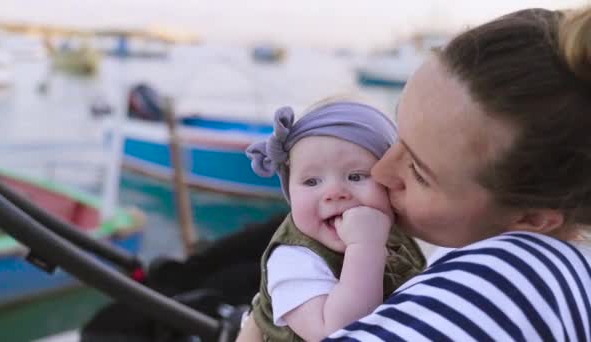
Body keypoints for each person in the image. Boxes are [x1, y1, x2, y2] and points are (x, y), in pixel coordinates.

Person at [238, 5, 591, 341]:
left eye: (420, 173)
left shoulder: (498, 287)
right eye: (399, 135)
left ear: (532, 217)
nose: (380, 168)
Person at [244, 100, 426, 341]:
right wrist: (364, 249)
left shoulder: (392, 230)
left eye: (356, 176)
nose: (334, 193)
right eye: (311, 182)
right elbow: (335, 334)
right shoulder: (293, 259)